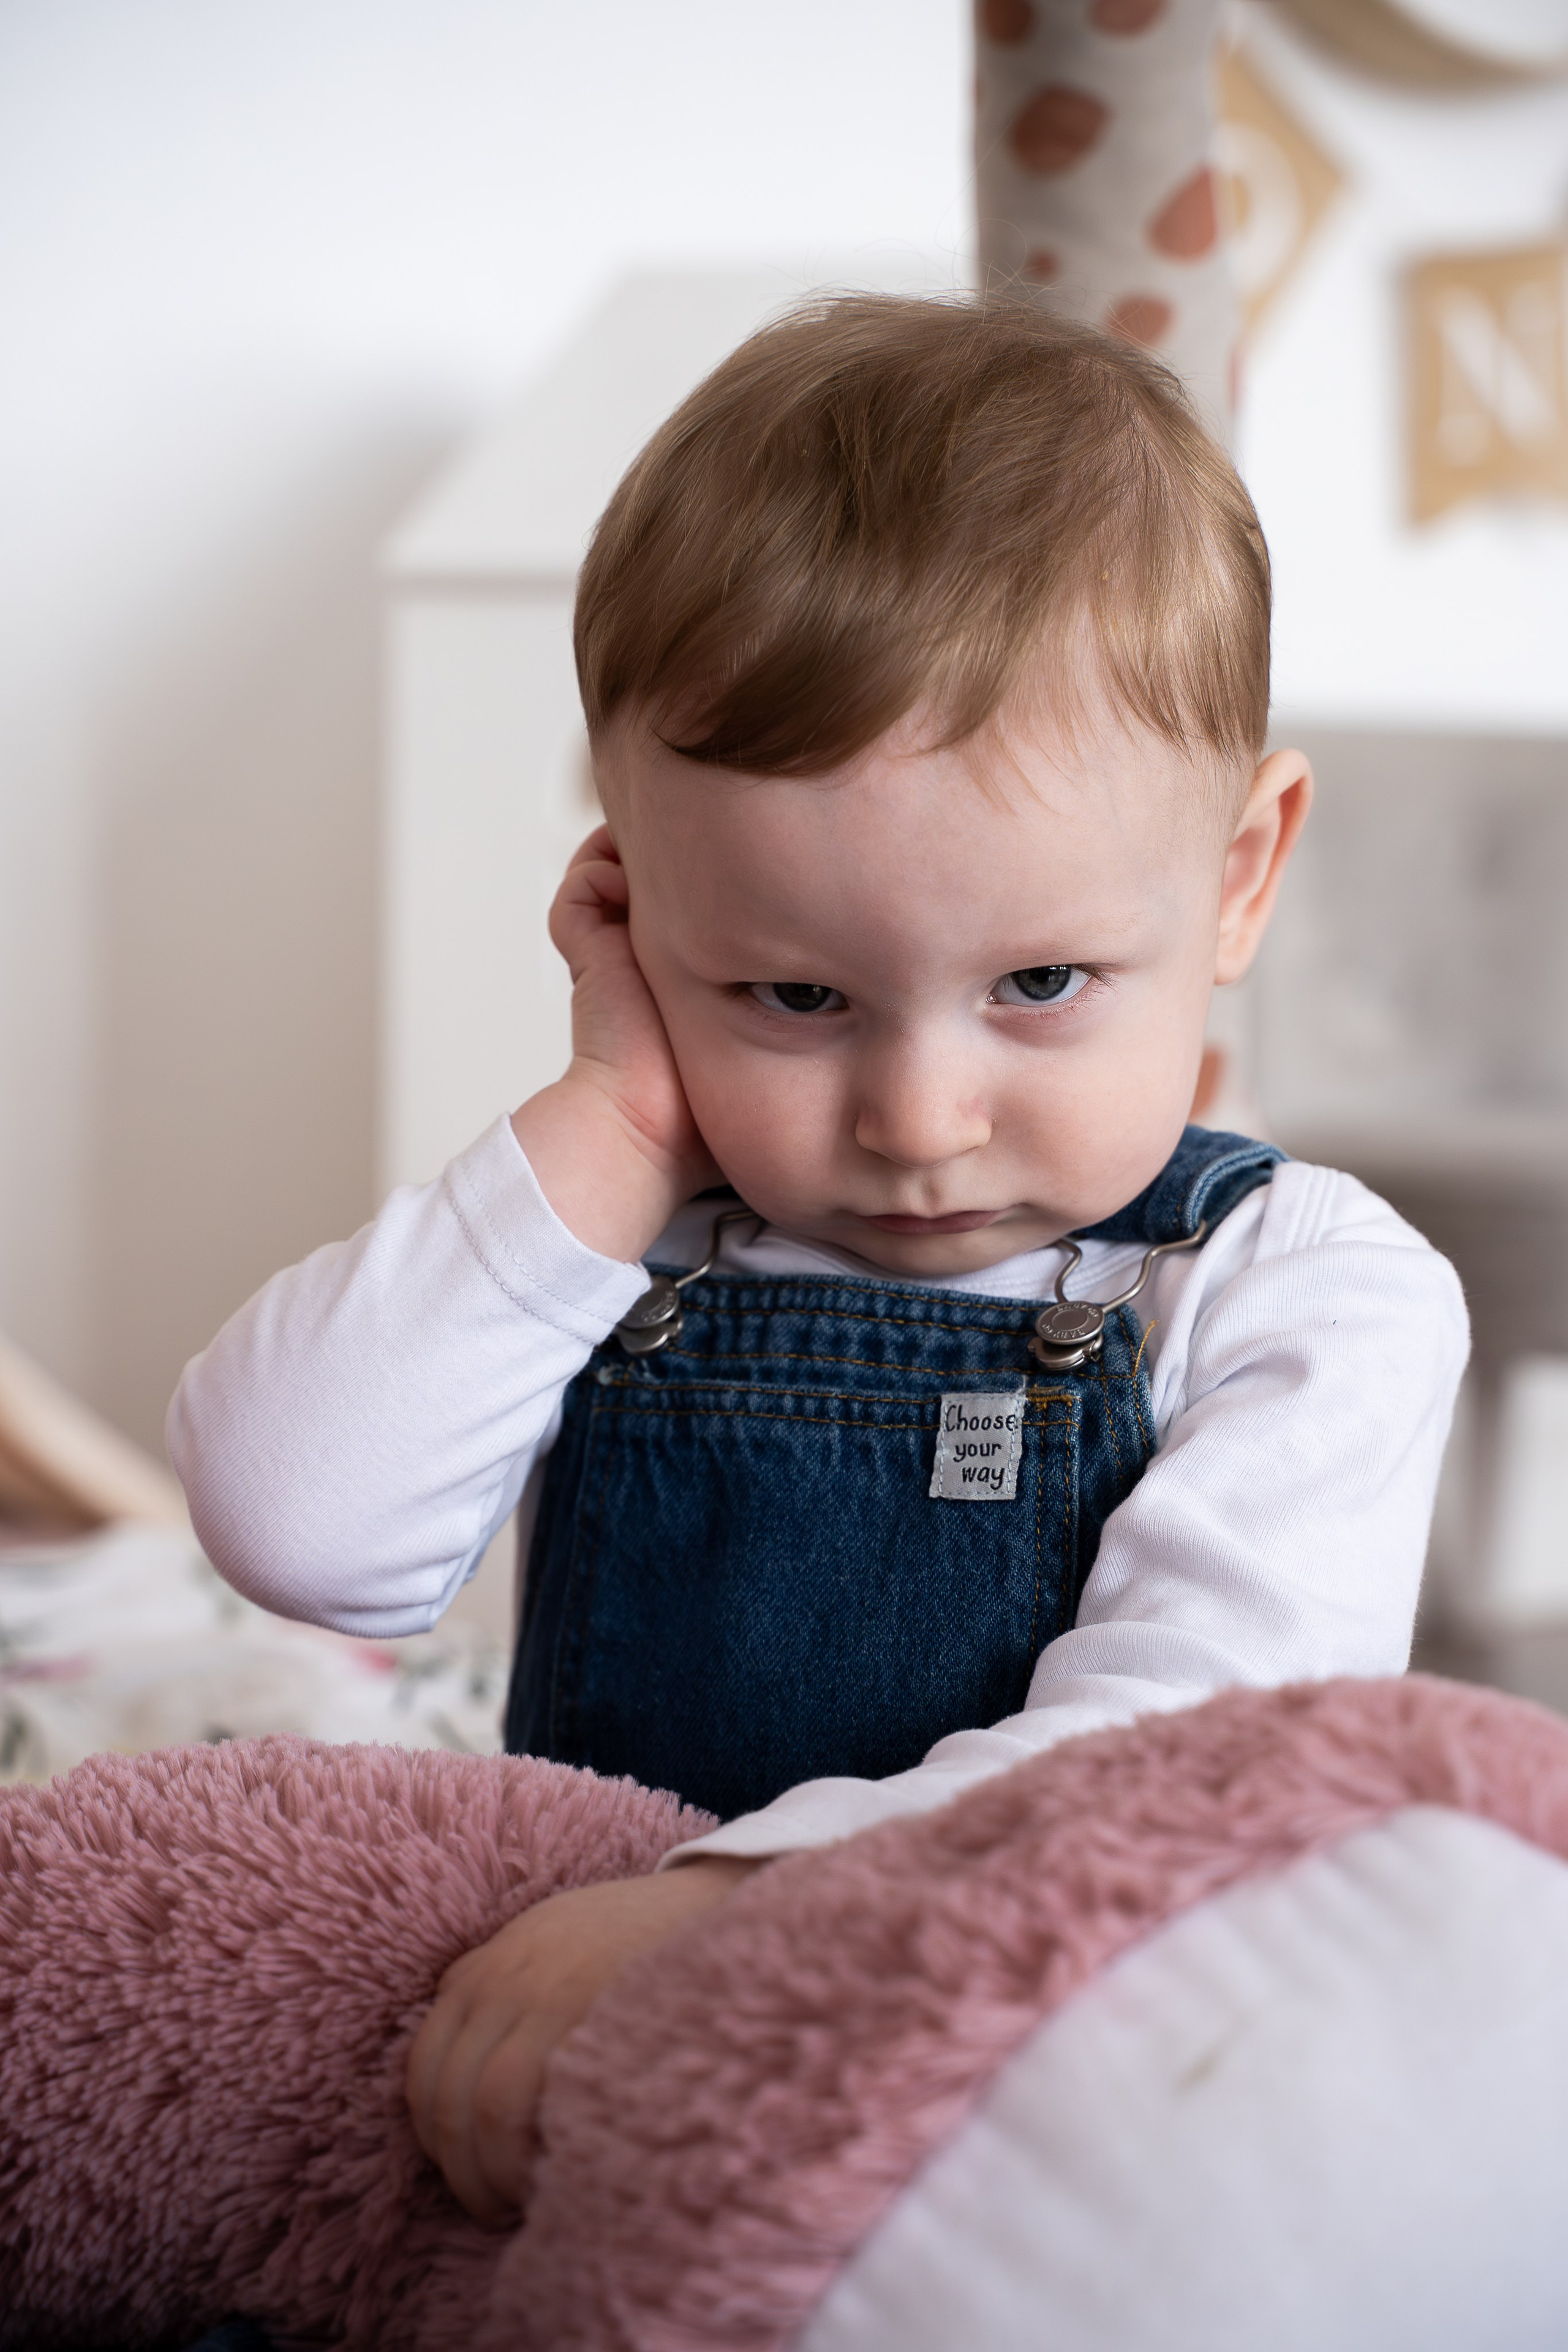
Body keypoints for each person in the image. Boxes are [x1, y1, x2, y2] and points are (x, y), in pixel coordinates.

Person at [167, 295, 1468, 2225]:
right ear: (629, 903)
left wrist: (729, 1909)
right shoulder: (644, 1228)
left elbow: (1182, 1747)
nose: (918, 1115)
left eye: (1040, 983)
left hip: (1047, 2105)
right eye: (791, 990)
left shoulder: (1292, 1288)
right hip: (581, 2082)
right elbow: (296, 1523)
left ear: (1238, 876)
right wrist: (612, 1113)